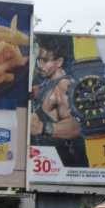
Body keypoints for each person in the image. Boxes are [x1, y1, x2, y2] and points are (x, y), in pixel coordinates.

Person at [29, 37, 88, 167]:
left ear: (59, 62)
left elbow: (77, 126)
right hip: (49, 163)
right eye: (39, 60)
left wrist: (42, 127)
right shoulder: (48, 83)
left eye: (45, 61)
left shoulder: (64, 85)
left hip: (64, 165)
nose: (40, 65)